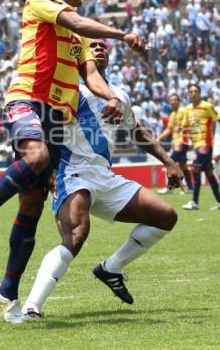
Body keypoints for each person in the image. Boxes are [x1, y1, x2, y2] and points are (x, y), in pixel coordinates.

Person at [0, 0, 145, 322]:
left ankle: (7, 292)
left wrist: (112, 98)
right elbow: (72, 20)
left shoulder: (83, 36)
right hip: (27, 97)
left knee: (32, 204)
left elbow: (90, 75)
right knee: (38, 156)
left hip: (58, 115)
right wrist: (121, 35)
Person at [20, 39, 183, 320]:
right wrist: (46, 168)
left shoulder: (118, 95)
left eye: (102, 46)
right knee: (77, 235)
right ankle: (32, 306)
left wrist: (168, 161)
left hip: (104, 177)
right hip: (71, 173)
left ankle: (111, 268)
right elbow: (43, 124)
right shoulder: (69, 87)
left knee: (165, 216)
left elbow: (136, 131)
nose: (98, 48)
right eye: (91, 44)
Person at [182, 84, 220, 211]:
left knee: (195, 170)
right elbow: (185, 127)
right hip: (196, 145)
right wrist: (187, 140)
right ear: (189, 94)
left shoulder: (207, 106)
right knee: (209, 173)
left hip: (205, 144)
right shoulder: (187, 109)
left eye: (196, 91)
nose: (193, 93)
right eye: (191, 91)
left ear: (199, 93)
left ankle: (195, 202)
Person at [157, 94, 193, 195]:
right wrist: (159, 138)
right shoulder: (172, 114)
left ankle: (169, 187)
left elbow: (190, 124)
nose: (172, 102)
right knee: (183, 166)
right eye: (171, 101)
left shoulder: (184, 111)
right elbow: (169, 129)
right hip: (177, 142)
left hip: (183, 142)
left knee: (170, 162)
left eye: (174, 100)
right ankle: (190, 188)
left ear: (179, 101)